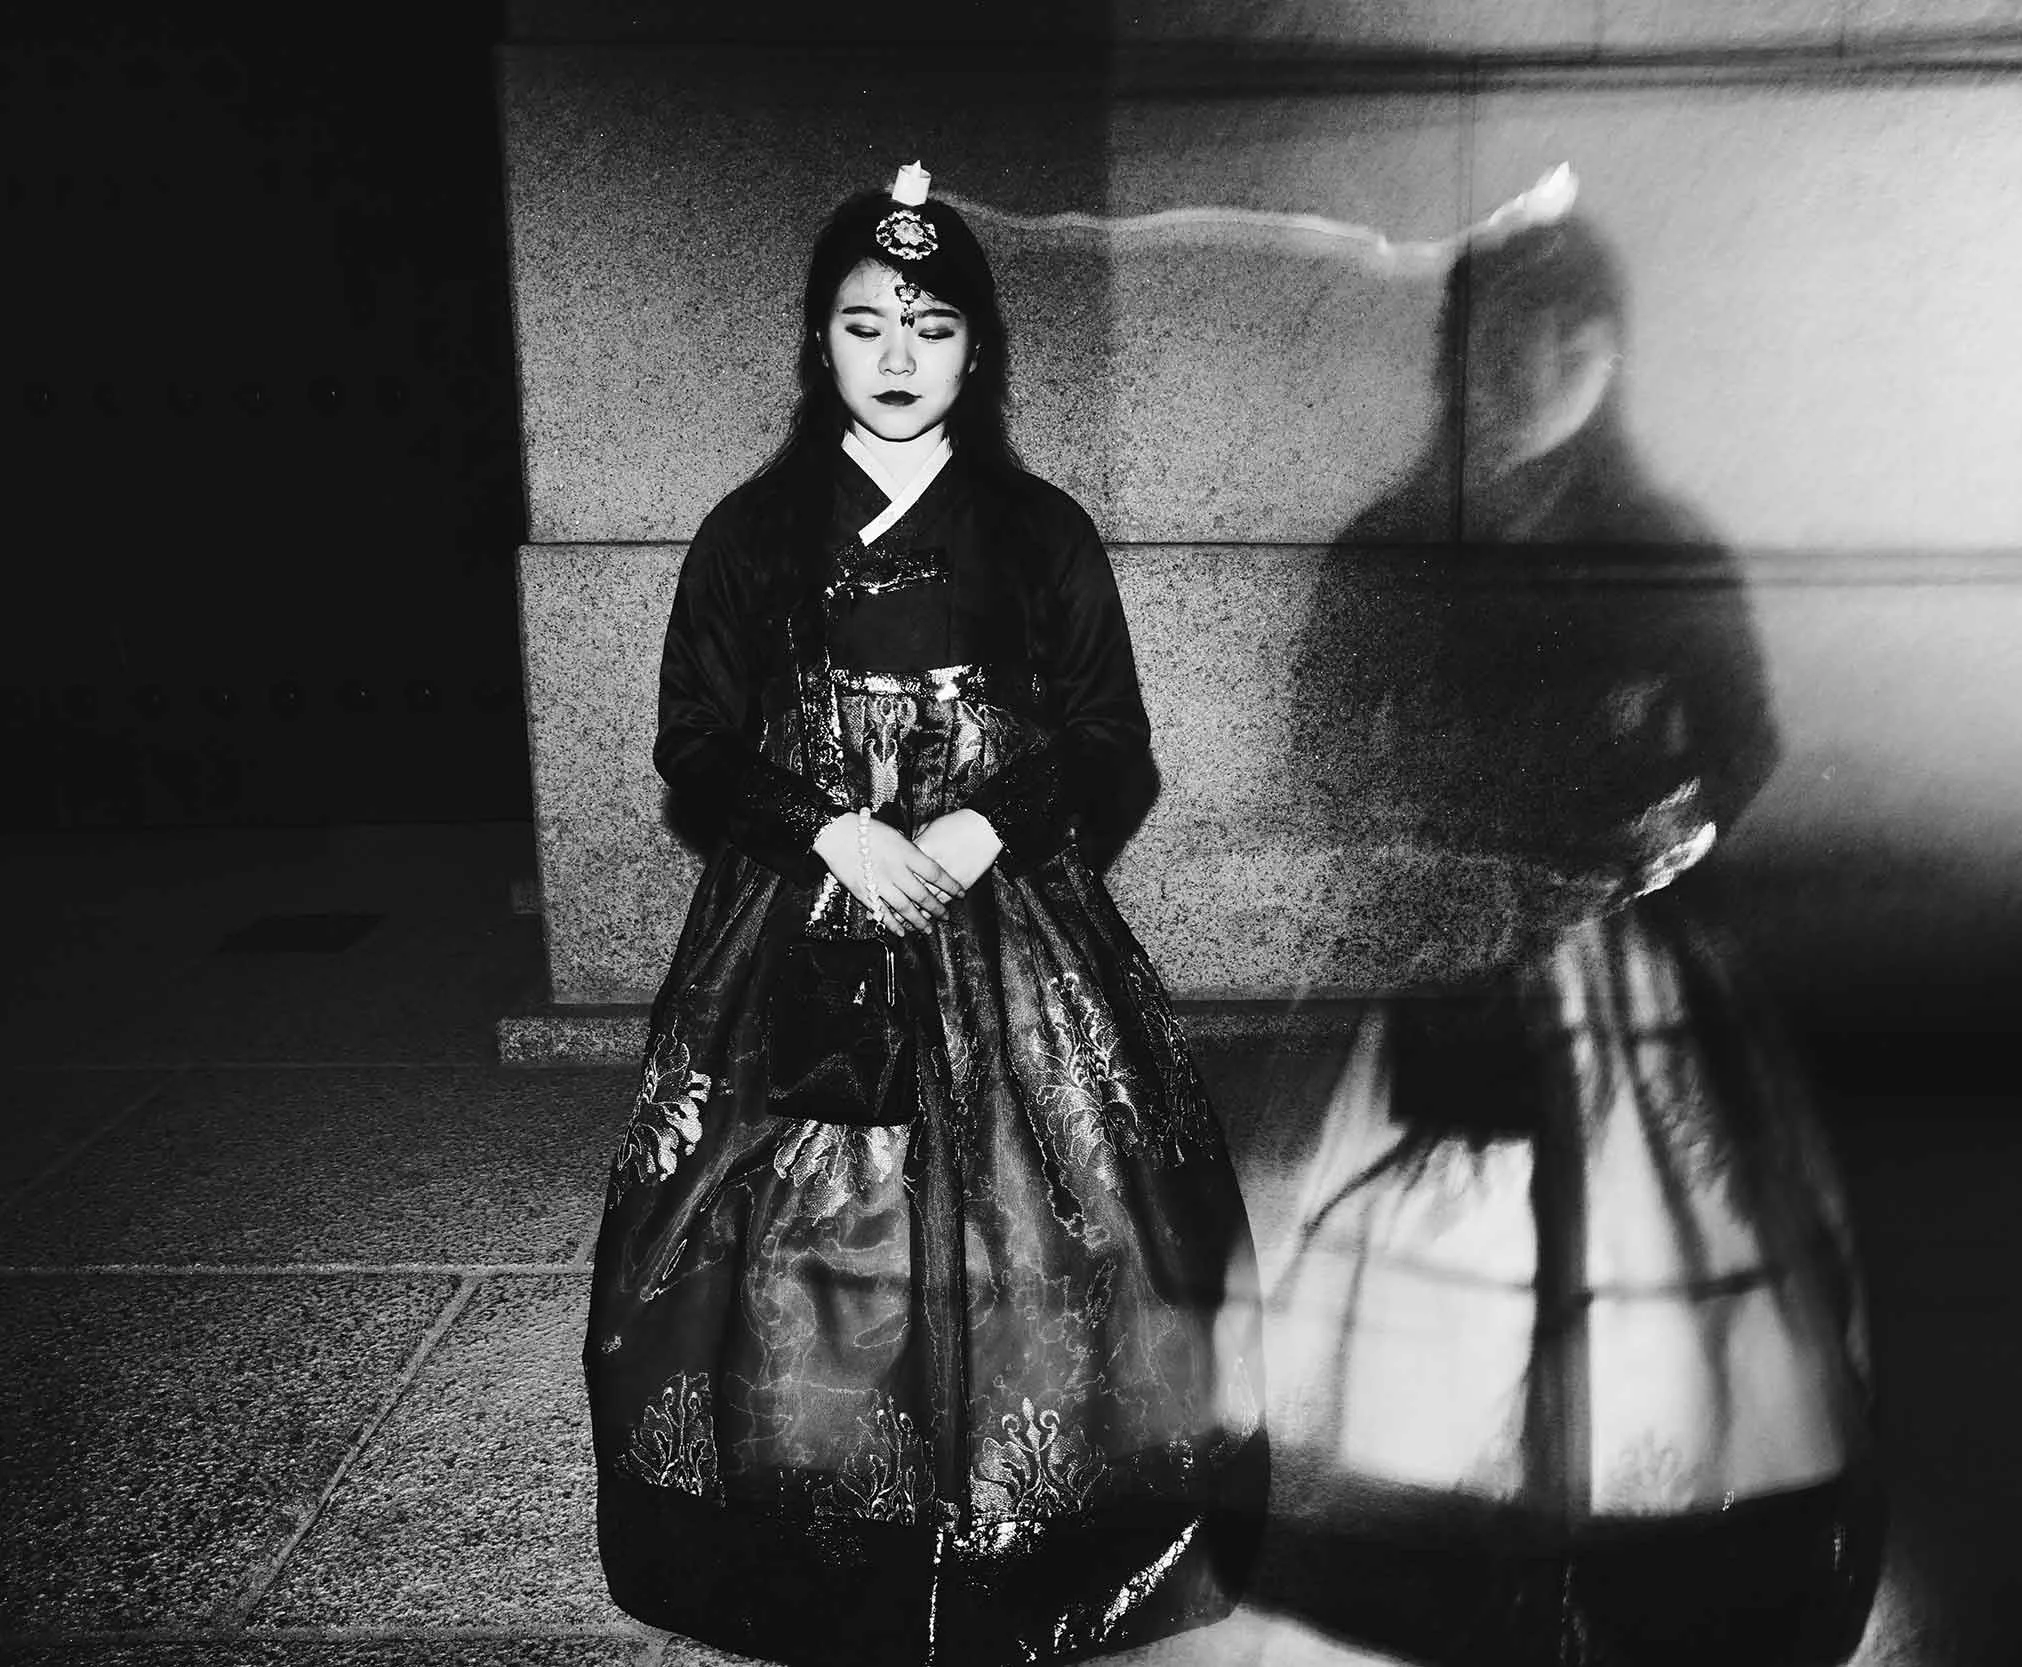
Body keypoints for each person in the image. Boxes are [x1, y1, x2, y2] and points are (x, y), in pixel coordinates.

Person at [584, 164, 1266, 1667]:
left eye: (934, 326)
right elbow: (694, 743)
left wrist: (975, 822)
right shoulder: (751, 533)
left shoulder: (1038, 533)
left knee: (1062, 1218)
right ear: (816, 343)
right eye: (864, 323)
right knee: (773, 1230)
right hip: (795, 924)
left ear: (978, 351)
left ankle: (1045, 1542)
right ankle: (808, 1534)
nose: (898, 357)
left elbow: (1110, 744)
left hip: (1008, 920)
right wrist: (824, 825)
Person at [1262, 208, 1880, 1665]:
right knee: (1456, 1224)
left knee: (1645, 1239)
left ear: (1614, 355)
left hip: (1632, 948)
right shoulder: (1395, 545)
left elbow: (1741, 739)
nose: (1535, 364)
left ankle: (1639, 1524)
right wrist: (1409, 846)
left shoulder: (1662, 547)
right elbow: (1321, 745)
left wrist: (1655, 835)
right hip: (1450, 942)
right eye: (1500, 331)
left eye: (1573, 334)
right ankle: (1453, 1519)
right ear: (1452, 350)